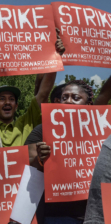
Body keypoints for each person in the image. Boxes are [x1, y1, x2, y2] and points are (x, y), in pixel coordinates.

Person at [24, 79, 111, 224]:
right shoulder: (43, 129)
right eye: (64, 97)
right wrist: (39, 159)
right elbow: (27, 166)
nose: (69, 101)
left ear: (89, 105)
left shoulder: (104, 129)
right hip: (59, 215)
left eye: (76, 98)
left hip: (99, 213)